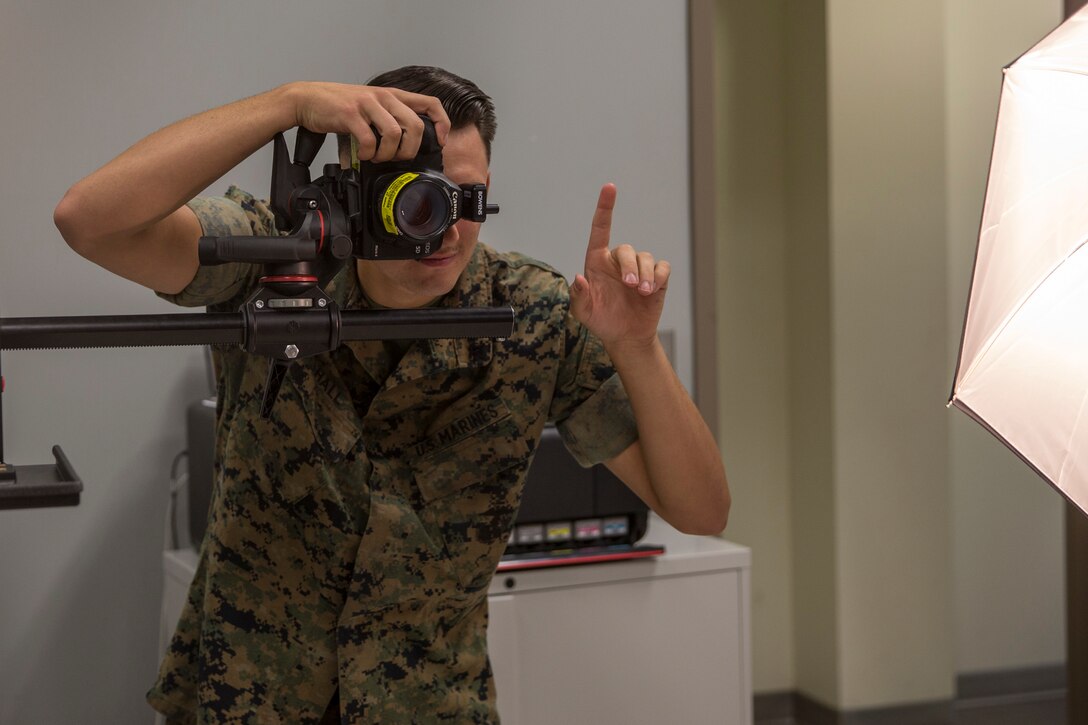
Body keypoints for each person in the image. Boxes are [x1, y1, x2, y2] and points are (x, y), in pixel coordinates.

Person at [54, 66, 729, 723]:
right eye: (416, 196)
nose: (443, 227)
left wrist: (636, 347)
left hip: (428, 702)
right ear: (355, 189)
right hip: (247, 697)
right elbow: (90, 220)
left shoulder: (532, 312)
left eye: (464, 199)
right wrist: (288, 103)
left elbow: (701, 509)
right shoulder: (282, 257)